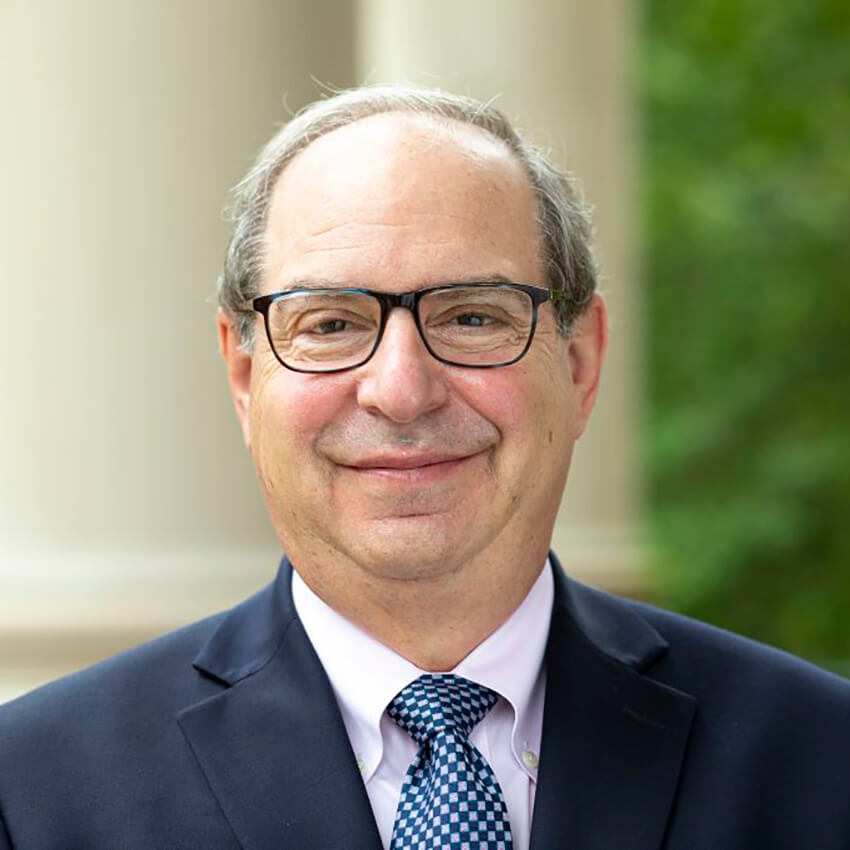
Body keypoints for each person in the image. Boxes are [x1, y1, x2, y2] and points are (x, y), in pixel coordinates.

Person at [0, 84, 848, 850]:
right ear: (246, 375)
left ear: (582, 362)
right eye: (329, 323)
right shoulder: (32, 794)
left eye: (473, 316)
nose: (401, 390)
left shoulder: (822, 762)